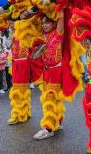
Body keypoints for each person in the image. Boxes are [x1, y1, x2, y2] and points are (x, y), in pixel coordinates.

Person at [34, 11, 66, 140]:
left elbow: (61, 16)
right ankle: (56, 122)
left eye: (47, 22)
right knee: (52, 99)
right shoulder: (43, 36)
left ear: (53, 23)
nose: (45, 25)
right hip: (46, 72)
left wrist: (59, 2)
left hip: (56, 72)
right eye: (43, 23)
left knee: (50, 100)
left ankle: (48, 128)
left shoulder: (58, 34)